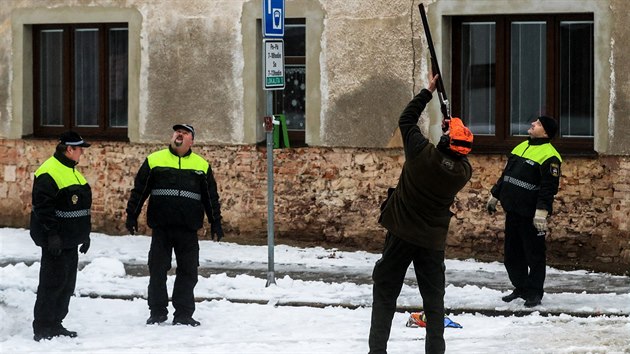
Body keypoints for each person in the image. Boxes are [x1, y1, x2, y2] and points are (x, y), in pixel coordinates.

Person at [368, 74, 474, 354]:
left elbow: (407, 119)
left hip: (400, 235)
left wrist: (428, 92)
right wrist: (452, 131)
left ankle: (377, 351)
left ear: (445, 139)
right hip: (431, 243)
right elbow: (458, 156)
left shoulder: (421, 154)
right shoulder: (462, 174)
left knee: (385, 296)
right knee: (434, 304)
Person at [125, 124, 224, 327]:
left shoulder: (201, 166)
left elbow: (210, 198)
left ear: (191, 141)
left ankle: (184, 314)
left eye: (185, 133)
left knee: (188, 272)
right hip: (161, 228)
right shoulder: (155, 160)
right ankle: (157, 312)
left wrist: (216, 223)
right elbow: (139, 191)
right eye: (177, 131)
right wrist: (131, 216)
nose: (179, 134)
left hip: (188, 229)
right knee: (158, 271)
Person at [486, 116, 562, 308]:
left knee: (534, 254)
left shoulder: (550, 156)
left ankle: (534, 292)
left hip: (531, 215)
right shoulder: (521, 147)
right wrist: (495, 195)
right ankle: (520, 287)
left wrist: (542, 212)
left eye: (537, 124)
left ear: (545, 132)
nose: (532, 125)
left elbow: (548, 188)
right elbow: (507, 175)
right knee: (512, 254)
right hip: (513, 210)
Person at [30, 131, 92, 341]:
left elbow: (81, 208)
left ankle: (56, 323)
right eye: (80, 149)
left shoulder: (73, 172)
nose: (82, 152)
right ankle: (43, 326)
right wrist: (52, 235)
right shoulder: (49, 172)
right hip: (55, 241)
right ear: (69, 149)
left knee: (66, 284)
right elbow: (43, 208)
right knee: (51, 284)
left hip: (70, 240)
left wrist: (85, 235)